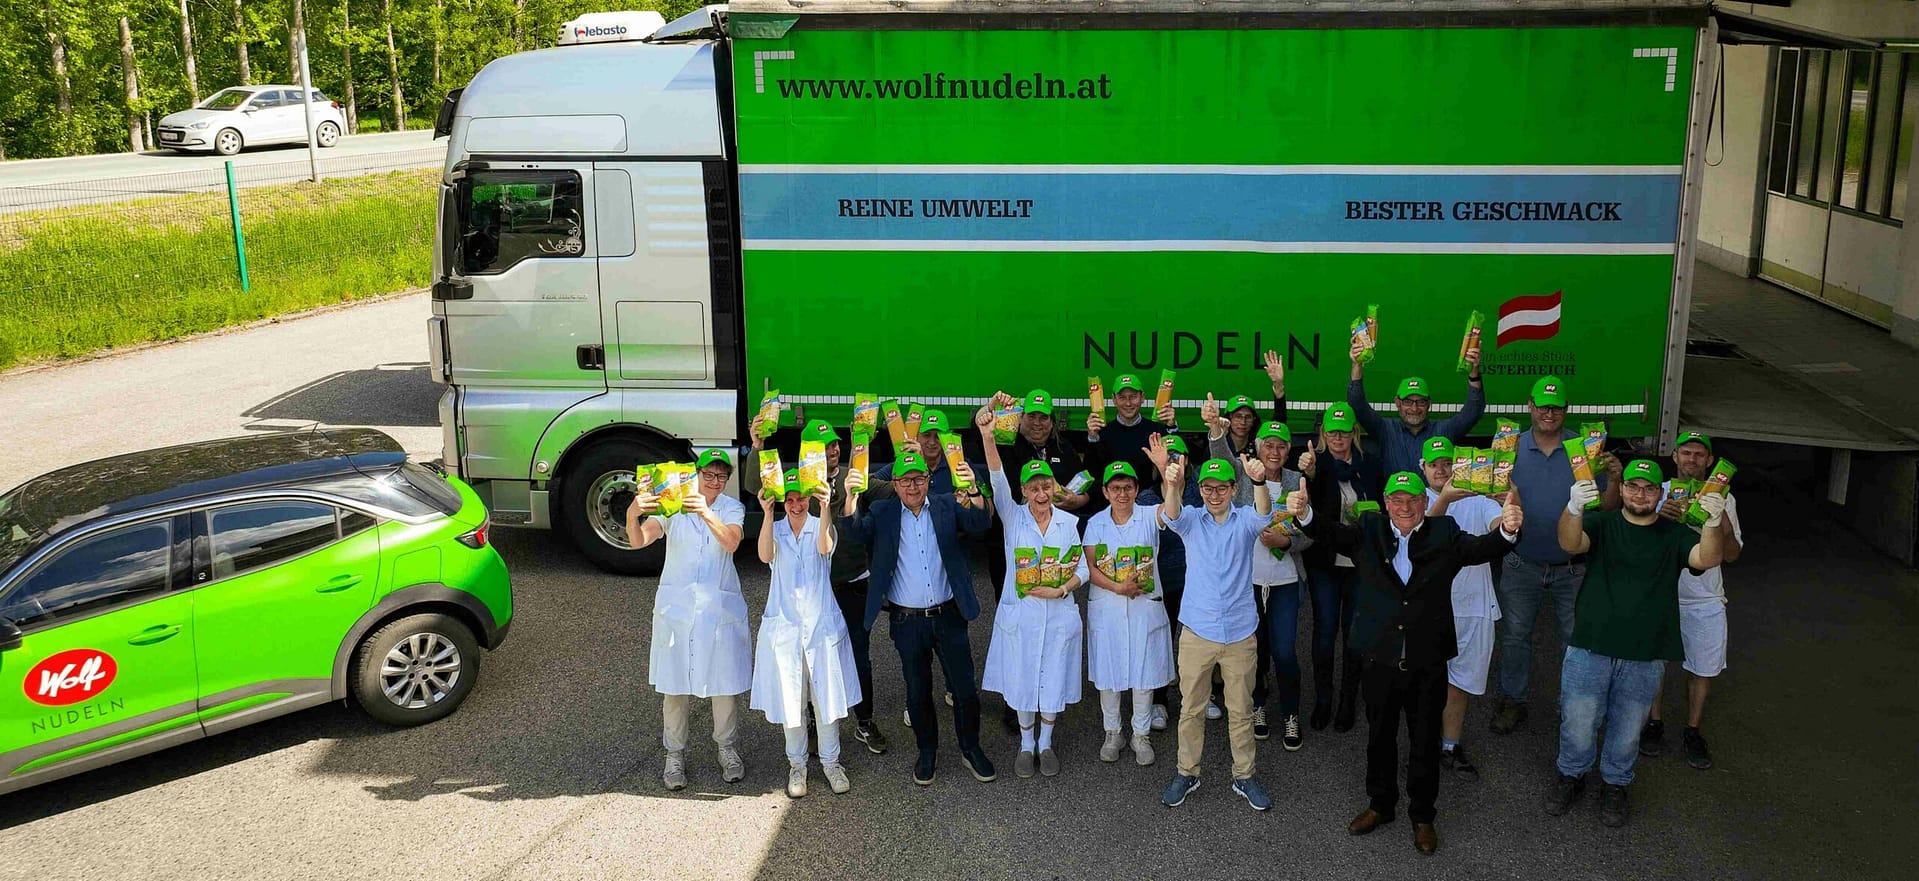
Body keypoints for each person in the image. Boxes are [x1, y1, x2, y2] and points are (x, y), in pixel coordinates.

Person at [1317, 470, 1522, 855]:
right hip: (1379, 657)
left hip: (1427, 660)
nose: (1405, 507)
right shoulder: (1369, 529)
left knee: (1425, 740)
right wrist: (1304, 514)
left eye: (1413, 499)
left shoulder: (1445, 533)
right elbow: (1330, 533)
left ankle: (1423, 815)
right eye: (1397, 499)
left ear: (1426, 503)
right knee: (1379, 737)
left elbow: (1483, 549)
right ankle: (1380, 805)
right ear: (1386, 503)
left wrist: (1509, 530)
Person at [1545, 460, 1727, 828]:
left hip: (1646, 650)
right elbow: (1569, 542)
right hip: (1591, 643)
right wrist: (1573, 507)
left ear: (1660, 494)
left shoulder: (1674, 533)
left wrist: (1712, 523)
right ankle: (1571, 775)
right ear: (1623, 488)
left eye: (1649, 488)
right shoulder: (1602, 523)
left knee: (1628, 728)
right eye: (1633, 486)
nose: (1640, 494)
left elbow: (1706, 558)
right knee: (1578, 720)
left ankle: (1616, 783)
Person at [839, 450, 998, 786]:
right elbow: (854, 534)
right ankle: (927, 753)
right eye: (905, 480)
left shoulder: (945, 504)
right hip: (907, 621)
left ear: (928, 480)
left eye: (919, 479)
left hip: (949, 614)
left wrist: (973, 491)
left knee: (965, 689)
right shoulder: (882, 512)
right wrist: (851, 498)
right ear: (895, 484)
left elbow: (980, 525)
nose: (912, 486)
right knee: (918, 692)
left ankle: (971, 748)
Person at [1151, 441, 1285, 812]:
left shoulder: (1245, 520)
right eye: (1207, 488)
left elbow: (1264, 513)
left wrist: (1259, 482)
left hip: (1240, 632)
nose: (1214, 494)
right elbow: (1172, 514)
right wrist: (1171, 482)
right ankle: (1186, 772)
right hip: (1197, 631)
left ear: (1232, 489)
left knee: (1241, 710)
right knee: (1191, 709)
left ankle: (1244, 776)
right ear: (1201, 490)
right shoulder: (1192, 520)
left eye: (1221, 488)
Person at [748, 418, 889, 755]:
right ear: (808, 452)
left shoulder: (851, 474)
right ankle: (811, 722)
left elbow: (890, 489)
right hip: (813, 591)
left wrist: (902, 458)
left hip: (851, 581)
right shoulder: (798, 481)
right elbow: (757, 484)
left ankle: (864, 721)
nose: (832, 451)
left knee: (857, 655)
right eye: (824, 447)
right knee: (809, 660)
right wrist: (757, 447)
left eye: (835, 444)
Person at [1491, 376, 1622, 735]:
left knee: (1575, 641)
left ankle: (1572, 707)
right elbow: (1492, 498)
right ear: (1530, 406)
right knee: (1515, 636)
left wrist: (1615, 481)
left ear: (1566, 410)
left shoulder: (1585, 450)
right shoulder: (1509, 447)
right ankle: (1513, 699)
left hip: (1572, 568)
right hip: (1521, 560)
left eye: (1557, 407)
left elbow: (1605, 510)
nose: (1549, 413)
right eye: (1543, 406)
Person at [627, 450, 751, 791]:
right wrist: (633, 514)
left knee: (723, 685)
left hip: (717, 610)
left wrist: (705, 512)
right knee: (674, 686)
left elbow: (731, 542)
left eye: (721, 476)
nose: (714, 482)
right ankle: (674, 754)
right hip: (677, 611)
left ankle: (727, 749)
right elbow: (639, 540)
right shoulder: (672, 504)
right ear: (695, 475)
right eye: (708, 474)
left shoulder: (731, 508)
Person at [977, 403, 1088, 778]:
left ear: (1054, 488)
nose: (1041, 493)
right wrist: (988, 438)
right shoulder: (1013, 518)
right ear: (1023, 490)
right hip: (1021, 616)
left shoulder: (1068, 523)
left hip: (1058, 614)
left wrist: (1063, 589)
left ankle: (1046, 743)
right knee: (1023, 679)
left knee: (1053, 680)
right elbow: (996, 478)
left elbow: (1082, 568)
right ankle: (1026, 744)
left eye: (1046, 486)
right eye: (1034, 487)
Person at [750, 474, 860, 798]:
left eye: (801, 499)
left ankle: (831, 763)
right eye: (790, 500)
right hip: (785, 629)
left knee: (826, 700)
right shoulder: (776, 529)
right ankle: (797, 766)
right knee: (792, 701)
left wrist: (825, 508)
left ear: (810, 499)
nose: (796, 505)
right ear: (783, 502)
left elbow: (825, 547)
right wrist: (766, 513)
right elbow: (765, 556)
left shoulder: (820, 525)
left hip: (820, 628)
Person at [1207, 408, 1311, 747]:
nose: (1275, 452)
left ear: (1288, 451)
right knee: (1256, 650)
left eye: (1281, 446)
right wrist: (1215, 428)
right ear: (1258, 447)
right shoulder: (1244, 473)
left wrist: (1287, 542)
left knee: (1285, 651)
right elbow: (1220, 457)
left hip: (1285, 582)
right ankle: (1259, 706)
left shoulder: (1297, 481)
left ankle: (1291, 714)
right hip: (1247, 583)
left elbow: (1310, 532)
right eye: (1269, 445)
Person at [1641, 432, 1744, 770]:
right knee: (1655, 662)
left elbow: (1732, 555)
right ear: (1674, 456)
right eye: (1686, 452)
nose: (1692, 459)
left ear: (1710, 461)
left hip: (1705, 597)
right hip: (1662, 592)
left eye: (1700, 455)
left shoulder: (1725, 498)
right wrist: (1658, 517)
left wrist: (1721, 521)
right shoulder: (1657, 491)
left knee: (1703, 668)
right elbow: (1636, 543)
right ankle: (1654, 722)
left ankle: (1693, 729)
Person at [1081, 461, 1177, 766]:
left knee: (1144, 674)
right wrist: (1117, 587)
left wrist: (1166, 472)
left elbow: (1173, 511)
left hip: (1143, 607)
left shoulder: (1149, 515)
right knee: (1108, 675)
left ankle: (1140, 735)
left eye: (1128, 487)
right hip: (1108, 607)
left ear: (1136, 490)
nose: (1122, 494)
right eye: (1116, 488)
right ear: (1105, 492)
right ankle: (1113, 733)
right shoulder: (1096, 523)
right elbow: (1089, 567)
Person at [1420, 437, 1503, 782]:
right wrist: (1445, 499)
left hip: (1473, 608)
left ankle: (1450, 746)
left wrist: (1509, 512)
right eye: (1434, 464)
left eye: (1447, 463)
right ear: (1422, 468)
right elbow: (1418, 539)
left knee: (1460, 684)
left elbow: (1502, 530)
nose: (1441, 470)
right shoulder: (1413, 499)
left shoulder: (1479, 499)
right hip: (1426, 610)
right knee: (1424, 682)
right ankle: (1423, 746)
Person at [1299, 403, 1384, 733]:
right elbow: (1307, 507)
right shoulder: (1316, 465)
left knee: (1354, 634)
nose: (1338, 438)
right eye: (1332, 432)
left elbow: (1383, 506)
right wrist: (1309, 473)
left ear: (1354, 433)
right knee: (1324, 632)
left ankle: (1348, 700)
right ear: (1323, 433)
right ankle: (1324, 699)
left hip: (1360, 563)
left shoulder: (1370, 464)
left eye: (1344, 431)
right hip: (1325, 562)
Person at [1346, 336, 1486, 476]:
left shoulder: (1443, 430)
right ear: (1397, 403)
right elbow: (1357, 405)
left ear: (1429, 404)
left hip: (1435, 492)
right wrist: (1357, 365)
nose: (1414, 408)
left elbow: (1474, 411)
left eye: (1421, 402)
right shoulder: (1386, 430)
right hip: (1394, 491)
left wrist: (1474, 372)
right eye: (1408, 402)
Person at [1142, 432, 1202, 731]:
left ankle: (1202, 696)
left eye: (1178, 457)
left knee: (1197, 641)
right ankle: (1159, 700)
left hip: (1196, 579)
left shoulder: (1199, 492)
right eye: (1167, 459)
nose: (1173, 463)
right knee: (1161, 640)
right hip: (1161, 580)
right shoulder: (1146, 498)